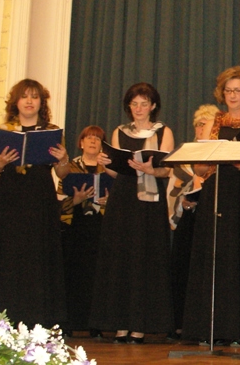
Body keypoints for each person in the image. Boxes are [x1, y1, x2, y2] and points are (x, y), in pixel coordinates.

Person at [182, 66, 240, 347]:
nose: (233, 95)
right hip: (216, 194)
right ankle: (212, 329)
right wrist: (209, 156)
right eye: (228, 90)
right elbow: (199, 168)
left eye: (238, 90)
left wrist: (237, 161)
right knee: (216, 260)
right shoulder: (213, 122)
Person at [0, 79, 69, 328]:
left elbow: (62, 173)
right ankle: (3, 313)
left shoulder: (52, 131)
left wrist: (63, 159)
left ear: (41, 102)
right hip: (10, 197)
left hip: (40, 197)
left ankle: (38, 315)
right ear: (16, 101)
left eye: (35, 97)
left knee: (38, 252)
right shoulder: (5, 129)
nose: (29, 101)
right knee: (8, 252)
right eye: (24, 96)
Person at [91, 82, 175, 344]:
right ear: (129, 106)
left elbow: (168, 169)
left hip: (150, 201)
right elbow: (116, 171)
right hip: (123, 199)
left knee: (146, 258)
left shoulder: (164, 132)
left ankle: (140, 325)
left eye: (144, 104)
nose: (139, 109)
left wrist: (151, 170)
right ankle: (120, 324)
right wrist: (105, 164)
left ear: (153, 106)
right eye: (134, 104)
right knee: (121, 258)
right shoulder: (119, 131)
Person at [167, 104, 219, 341]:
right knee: (184, 272)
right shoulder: (184, 154)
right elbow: (173, 189)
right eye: (198, 124)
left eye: (205, 124)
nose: (200, 129)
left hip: (211, 219)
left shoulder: (222, 156)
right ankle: (181, 323)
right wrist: (183, 203)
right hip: (188, 221)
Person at [58, 125, 108, 338]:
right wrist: (76, 200)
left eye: (97, 139)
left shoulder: (108, 169)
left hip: (100, 225)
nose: (93, 141)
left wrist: (109, 201)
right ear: (81, 143)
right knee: (73, 274)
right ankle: (70, 321)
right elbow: (59, 201)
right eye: (89, 138)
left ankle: (95, 323)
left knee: (97, 275)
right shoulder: (68, 168)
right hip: (75, 227)